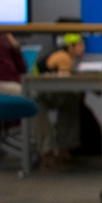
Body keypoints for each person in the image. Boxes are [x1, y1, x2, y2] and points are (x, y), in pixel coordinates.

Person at [36, 33, 86, 168]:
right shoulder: (63, 57)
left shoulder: (68, 58)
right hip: (37, 93)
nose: (84, 48)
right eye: (80, 45)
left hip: (48, 91)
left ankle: (65, 148)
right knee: (71, 98)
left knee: (71, 100)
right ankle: (49, 153)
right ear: (70, 47)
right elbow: (65, 82)